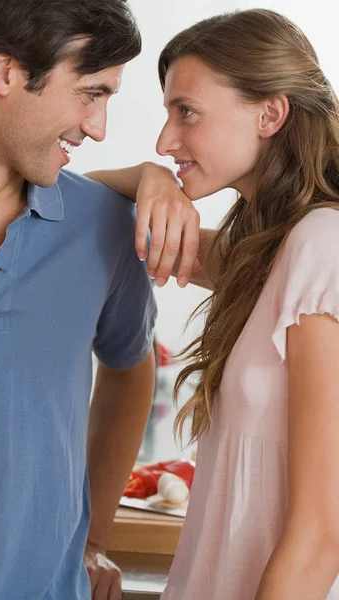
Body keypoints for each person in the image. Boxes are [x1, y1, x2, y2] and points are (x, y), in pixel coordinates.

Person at [86, 8, 339, 599]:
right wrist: (150, 177)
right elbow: (70, 211)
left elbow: (321, 535)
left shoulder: (321, 246)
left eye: (187, 112)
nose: (165, 139)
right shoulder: (264, 253)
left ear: (270, 113)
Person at [0, 1, 159, 599]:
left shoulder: (105, 228)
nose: (98, 127)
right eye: (90, 92)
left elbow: (130, 373)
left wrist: (93, 540)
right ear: (5, 71)